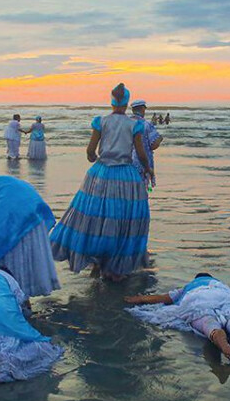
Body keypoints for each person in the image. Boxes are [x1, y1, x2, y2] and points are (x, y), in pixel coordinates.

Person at [50, 83, 153, 280]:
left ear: (112, 102)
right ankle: (113, 266)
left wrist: (94, 158)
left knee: (95, 217)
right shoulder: (134, 125)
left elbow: (90, 150)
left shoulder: (101, 122)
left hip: (101, 173)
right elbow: (141, 154)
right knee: (121, 219)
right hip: (126, 175)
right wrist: (148, 168)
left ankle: (96, 261)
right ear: (127, 103)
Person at [125, 273, 230, 363]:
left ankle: (217, 335)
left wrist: (139, 298)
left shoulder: (188, 287)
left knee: (206, 320)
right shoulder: (221, 285)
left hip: (198, 297)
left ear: (195, 279)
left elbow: (162, 298)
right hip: (224, 296)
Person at [130, 100, 162, 188]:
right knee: (141, 190)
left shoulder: (125, 123)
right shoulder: (146, 125)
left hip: (125, 163)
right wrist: (160, 138)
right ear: (142, 109)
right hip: (141, 163)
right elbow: (153, 145)